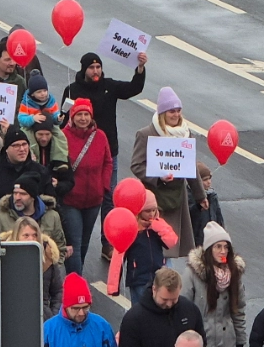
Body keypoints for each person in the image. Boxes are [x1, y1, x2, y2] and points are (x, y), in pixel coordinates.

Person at [62, 50, 146, 187]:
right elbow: (64, 120)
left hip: (109, 149)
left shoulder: (109, 86)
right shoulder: (73, 90)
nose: (95, 71)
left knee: (109, 191)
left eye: (98, 67)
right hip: (81, 151)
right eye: (91, 68)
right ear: (84, 69)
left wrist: (140, 69)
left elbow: (133, 88)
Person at [131, 87, 199, 256]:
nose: (175, 115)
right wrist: (158, 177)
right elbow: (136, 165)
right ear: (162, 113)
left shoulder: (185, 135)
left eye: (178, 111)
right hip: (154, 200)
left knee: (170, 243)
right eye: (171, 111)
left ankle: (164, 276)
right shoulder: (146, 134)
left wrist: (201, 196)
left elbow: (190, 167)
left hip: (177, 197)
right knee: (157, 245)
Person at [60, 97, 113, 273]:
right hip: (71, 200)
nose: (83, 118)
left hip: (94, 200)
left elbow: (108, 162)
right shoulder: (63, 137)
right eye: (79, 114)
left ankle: (74, 280)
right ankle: (76, 283)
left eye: (86, 114)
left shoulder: (100, 136)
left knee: (84, 243)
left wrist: (103, 185)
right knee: (74, 243)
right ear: (72, 117)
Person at [0, 127, 49, 236]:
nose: (22, 149)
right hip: (0, 234)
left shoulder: (40, 171)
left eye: (24, 144)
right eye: (16, 145)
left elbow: (51, 203)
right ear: (6, 149)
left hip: (35, 234)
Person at [183, 223, 247, 347]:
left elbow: (238, 311)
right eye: (218, 247)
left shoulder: (234, 273)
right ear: (209, 249)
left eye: (226, 247)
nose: (223, 251)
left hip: (228, 341)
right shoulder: (192, 273)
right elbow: (184, 310)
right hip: (202, 340)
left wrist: (241, 341)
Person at [118, 267, 205, 347]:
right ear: (154, 289)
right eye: (164, 299)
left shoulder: (190, 310)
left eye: (174, 299)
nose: (169, 304)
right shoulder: (134, 319)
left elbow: (202, 341)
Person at [44, 273, 116, 347]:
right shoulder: (48, 331)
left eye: (85, 307)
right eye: (76, 308)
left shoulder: (102, 327)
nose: (81, 313)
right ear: (66, 306)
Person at [190, 162, 224, 239]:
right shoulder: (190, 195)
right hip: (197, 238)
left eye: (209, 178)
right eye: (205, 180)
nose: (209, 182)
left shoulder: (212, 196)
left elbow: (218, 217)